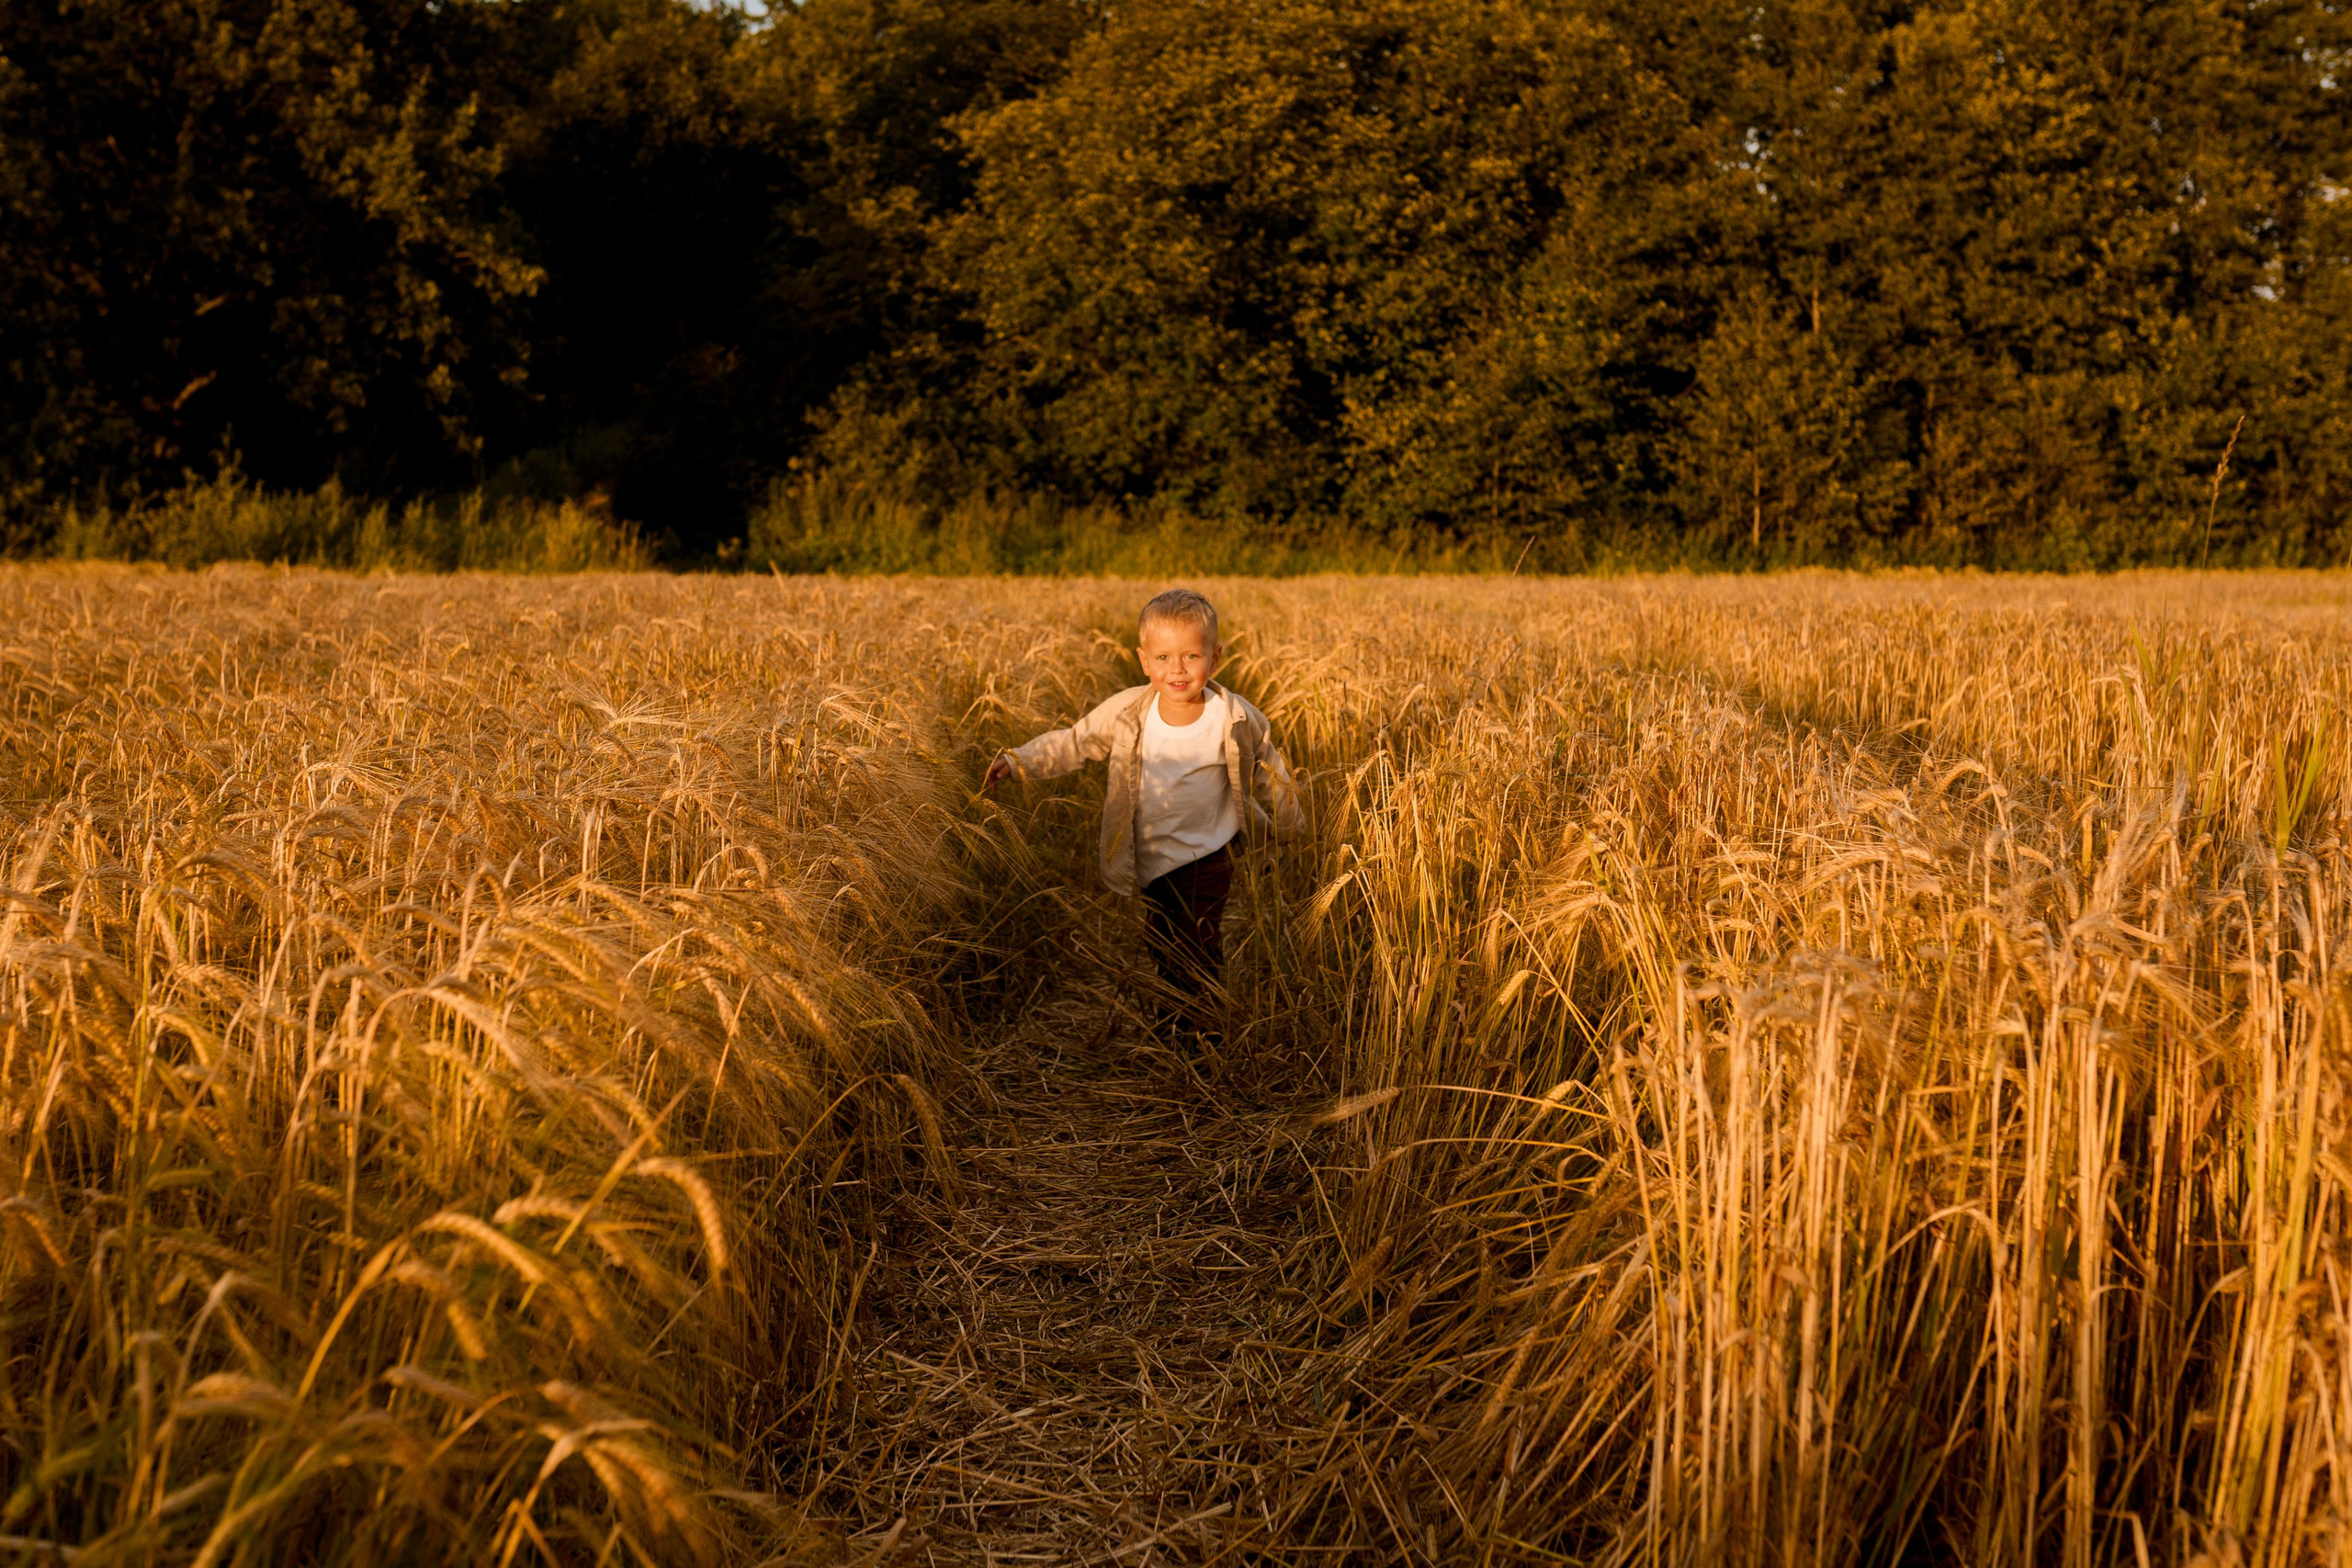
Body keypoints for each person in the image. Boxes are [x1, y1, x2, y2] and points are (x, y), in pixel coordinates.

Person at [983, 588, 1303, 1043]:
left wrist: (1291, 823)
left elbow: (1270, 767)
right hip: (1152, 860)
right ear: (1144, 660)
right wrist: (1020, 762)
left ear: (1215, 658)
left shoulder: (1232, 717)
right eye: (1165, 657)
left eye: (1192, 655)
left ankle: (1199, 1033)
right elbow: (1076, 743)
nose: (1178, 669)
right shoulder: (1129, 712)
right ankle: (1178, 1017)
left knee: (1196, 943)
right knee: (1165, 944)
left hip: (1210, 854)